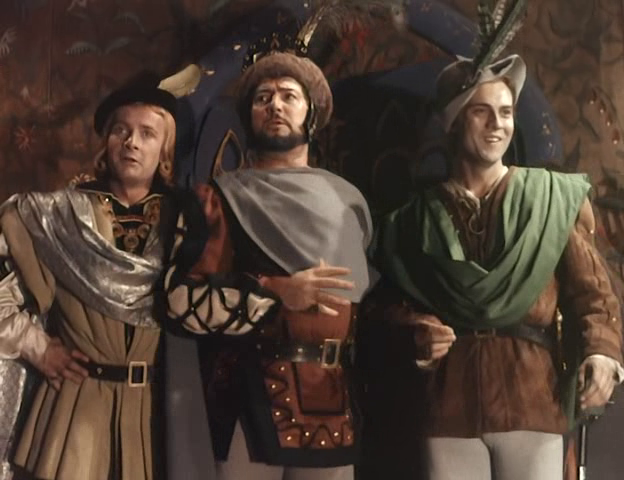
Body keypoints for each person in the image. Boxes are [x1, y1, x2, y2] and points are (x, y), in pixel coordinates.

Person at [367, 49, 624, 479]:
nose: (497, 124)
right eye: (481, 112)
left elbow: (593, 294)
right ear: (453, 122)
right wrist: (414, 330)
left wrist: (601, 352)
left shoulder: (549, 199)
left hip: (531, 397)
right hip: (449, 402)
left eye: (505, 112)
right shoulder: (414, 219)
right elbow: (384, 307)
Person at [165, 49, 375, 480]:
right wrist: (277, 291)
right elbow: (183, 299)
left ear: (310, 113)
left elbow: (366, 296)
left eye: (288, 96)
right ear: (249, 116)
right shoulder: (219, 199)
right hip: (251, 391)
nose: (275, 105)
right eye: (263, 98)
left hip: (334, 394)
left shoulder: (349, 202)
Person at [0, 75, 178, 480]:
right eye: (121, 131)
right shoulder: (57, 218)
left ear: (165, 150)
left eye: (147, 134)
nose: (132, 143)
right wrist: (38, 347)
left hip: (155, 416)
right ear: (106, 142)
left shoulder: (187, 223)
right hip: (72, 410)